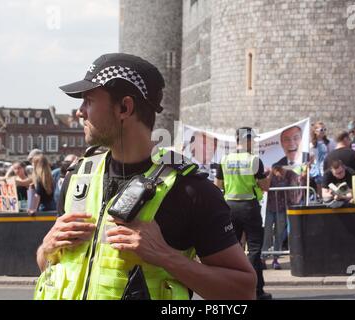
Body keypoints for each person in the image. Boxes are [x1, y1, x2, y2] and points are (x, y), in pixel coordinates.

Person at [35, 53, 256, 300]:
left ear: (124, 108)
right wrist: (45, 249)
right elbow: (51, 266)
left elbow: (244, 291)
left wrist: (165, 256)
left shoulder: (190, 190)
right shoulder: (77, 178)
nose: (79, 112)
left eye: (88, 100)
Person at [215, 127, 272, 300]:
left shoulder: (224, 160)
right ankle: (255, 291)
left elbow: (218, 186)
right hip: (249, 207)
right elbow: (265, 187)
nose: (253, 143)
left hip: (230, 207)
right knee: (254, 250)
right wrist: (267, 176)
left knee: (232, 249)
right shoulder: (254, 160)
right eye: (252, 140)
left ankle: (233, 290)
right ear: (246, 140)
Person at [262, 164, 302, 270]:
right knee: (267, 233)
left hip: (282, 209)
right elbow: (264, 186)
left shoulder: (290, 174)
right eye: (277, 170)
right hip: (270, 208)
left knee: (279, 234)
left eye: (281, 169)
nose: (280, 172)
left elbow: (298, 180)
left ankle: (275, 259)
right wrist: (270, 174)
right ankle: (263, 258)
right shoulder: (268, 173)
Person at [309, 121, 336, 197]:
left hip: (327, 166)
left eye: (325, 129)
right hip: (317, 168)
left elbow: (333, 154)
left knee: (328, 185)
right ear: (315, 131)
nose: (323, 131)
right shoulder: (311, 145)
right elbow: (311, 158)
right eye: (321, 130)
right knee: (319, 186)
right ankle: (320, 199)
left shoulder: (330, 142)